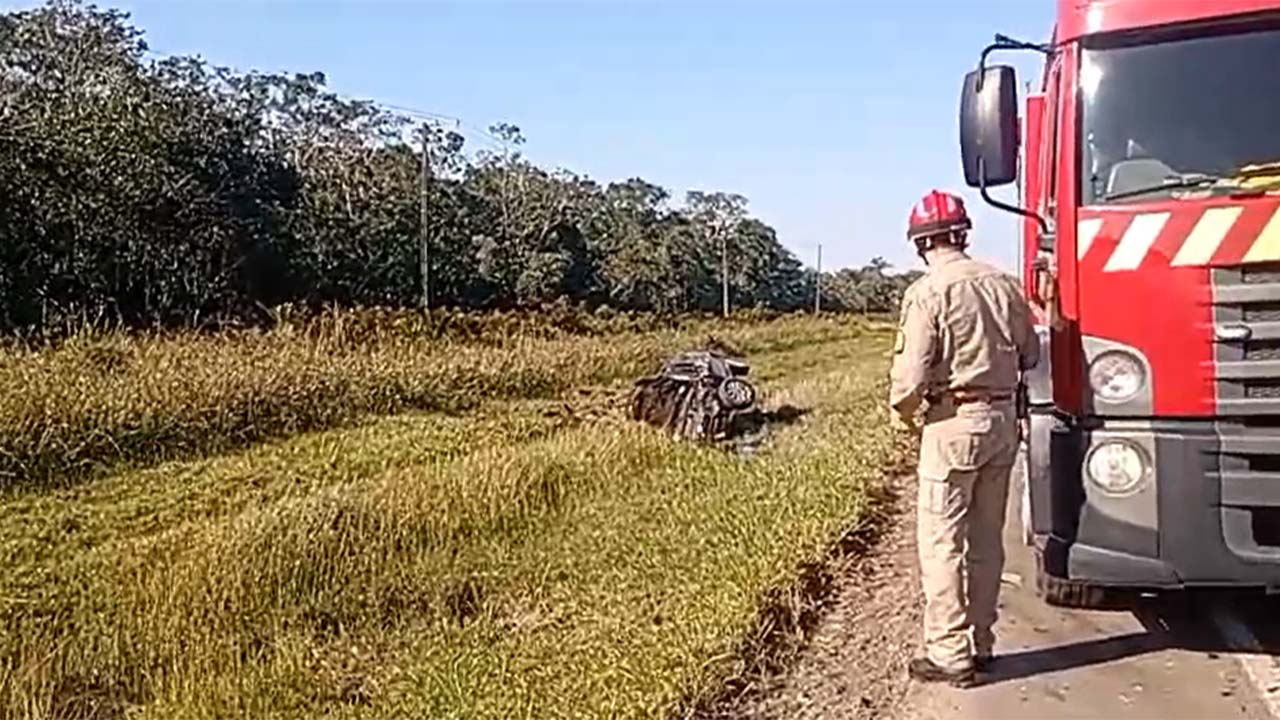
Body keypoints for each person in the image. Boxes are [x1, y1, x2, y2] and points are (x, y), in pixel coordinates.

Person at [889, 189, 1039, 688]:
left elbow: (910, 380)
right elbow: (1031, 354)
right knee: (985, 542)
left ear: (920, 243)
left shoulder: (927, 292)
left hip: (952, 425)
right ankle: (983, 642)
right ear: (962, 234)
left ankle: (951, 655)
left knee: (941, 544)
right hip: (1000, 423)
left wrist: (905, 417)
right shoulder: (1004, 282)